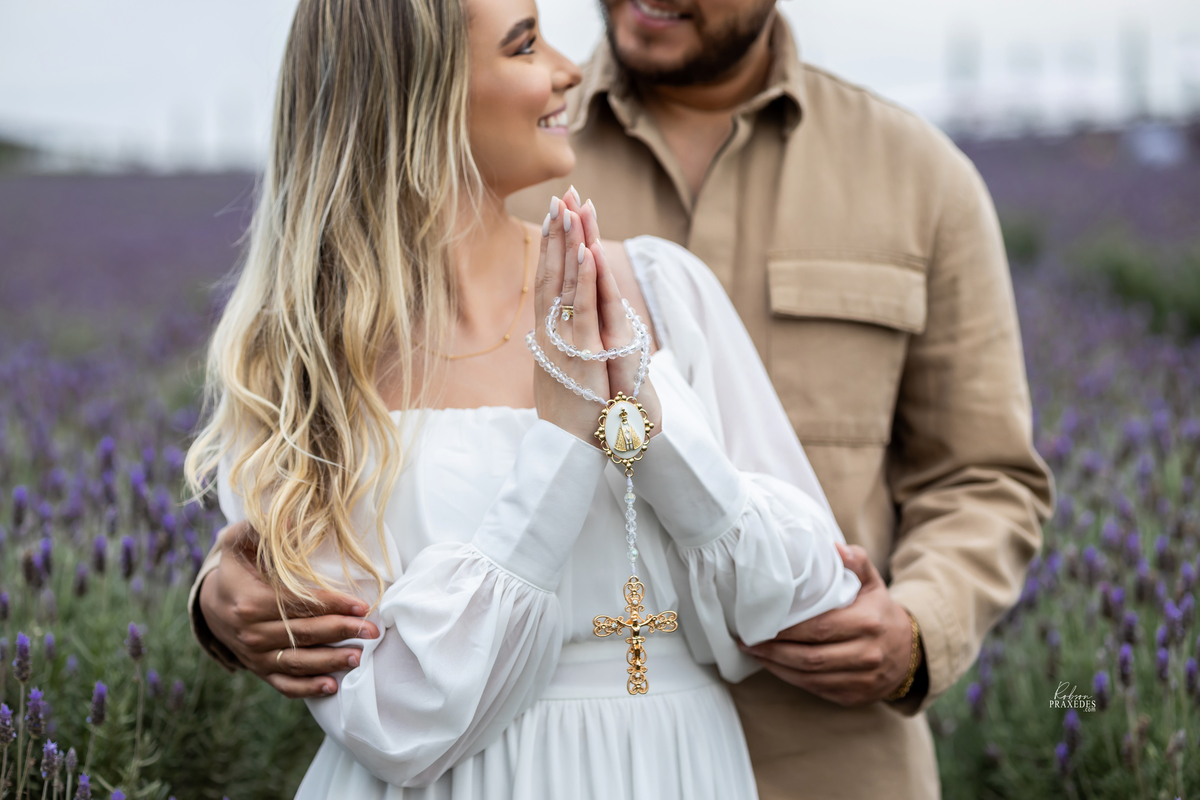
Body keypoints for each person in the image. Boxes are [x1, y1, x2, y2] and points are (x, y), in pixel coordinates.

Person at [192, 1, 1055, 797]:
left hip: (809, 753)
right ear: (422, 97)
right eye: (526, 45)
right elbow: (357, 622)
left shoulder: (913, 175)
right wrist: (221, 599)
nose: (561, 66)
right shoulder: (335, 319)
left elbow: (983, 477)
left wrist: (918, 634)